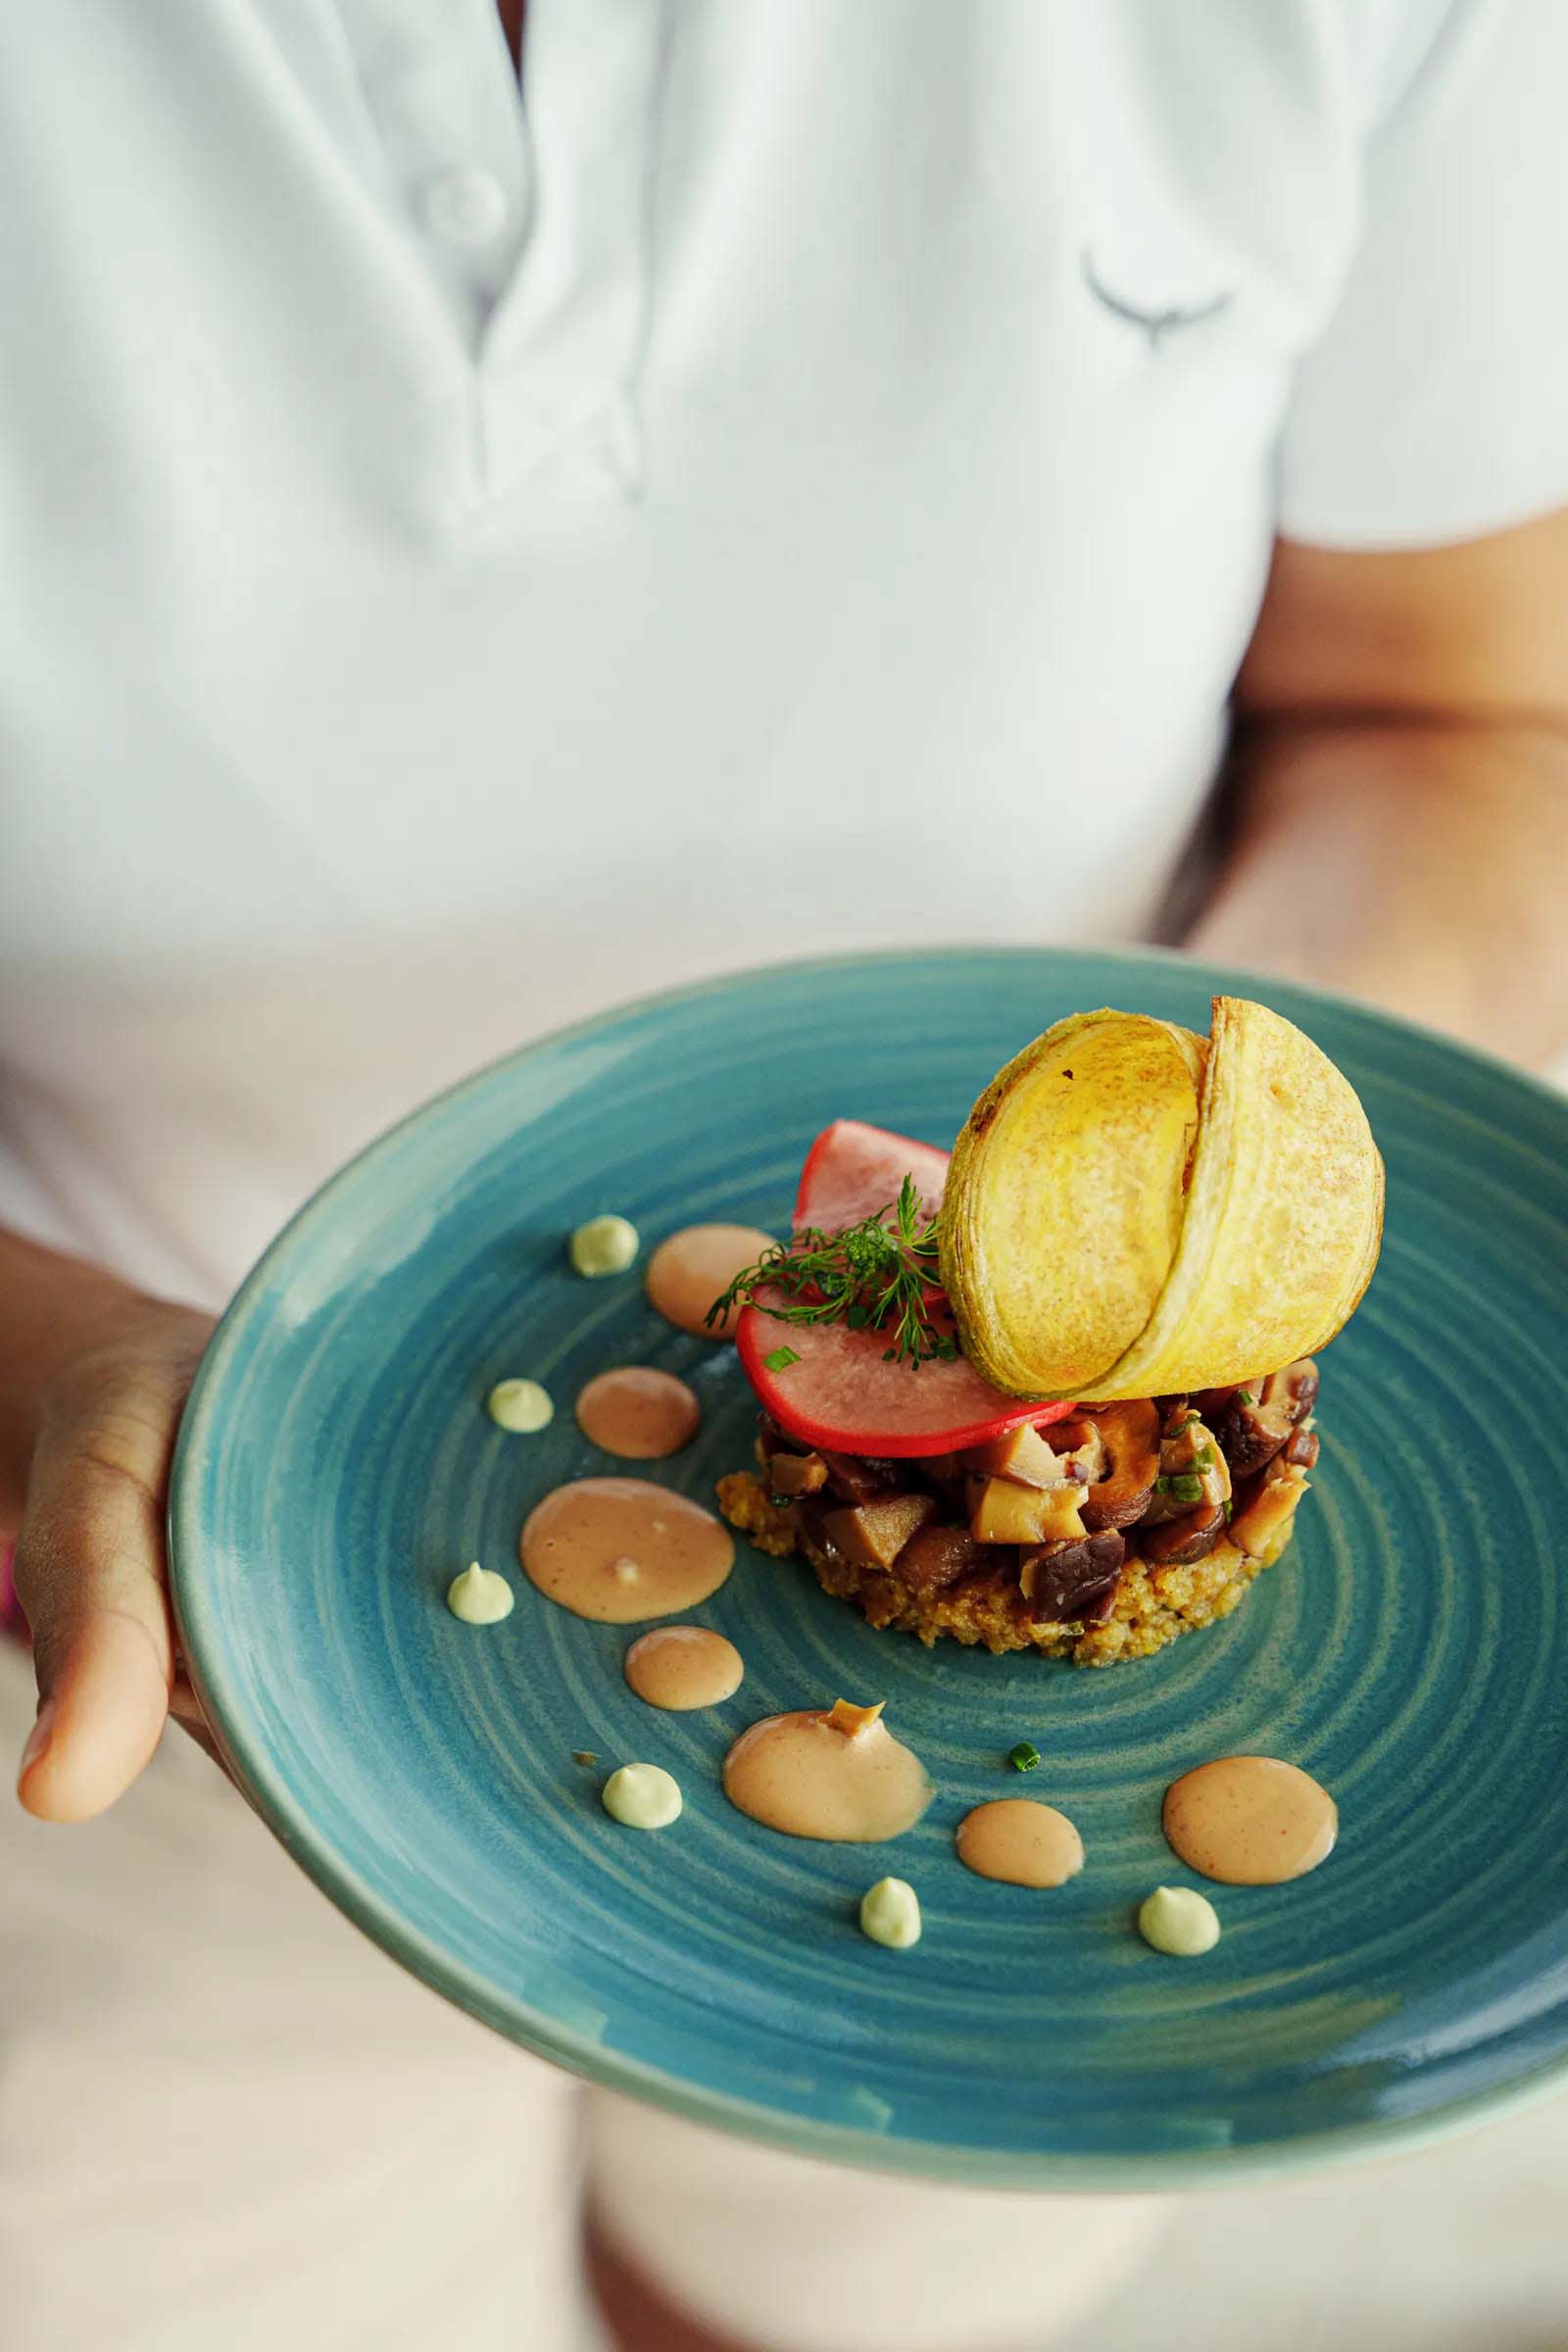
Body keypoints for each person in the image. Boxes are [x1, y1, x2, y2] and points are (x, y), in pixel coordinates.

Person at [3, 4, 1566, 2347]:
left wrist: (1197, 1256)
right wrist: (43, 1364)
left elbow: (1447, 702)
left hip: (1056, 1813)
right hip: (123, 1652)